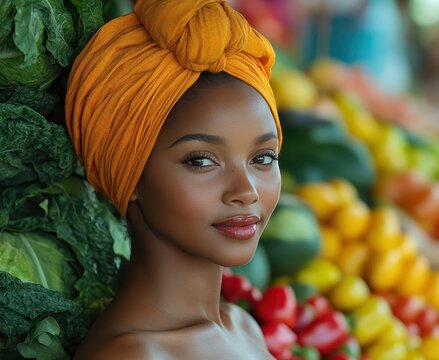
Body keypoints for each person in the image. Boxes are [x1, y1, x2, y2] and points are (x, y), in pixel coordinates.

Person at [65, 0, 282, 359]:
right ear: (131, 174)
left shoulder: (244, 327)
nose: (246, 191)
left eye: (263, 158)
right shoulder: (132, 355)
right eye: (201, 161)